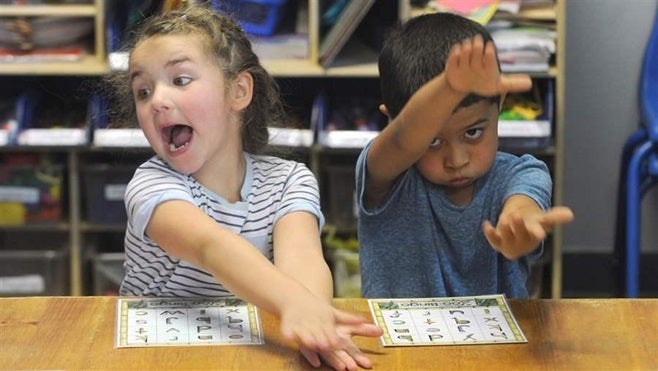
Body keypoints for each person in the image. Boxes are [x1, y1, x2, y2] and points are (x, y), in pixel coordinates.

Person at [113, 6, 382, 370]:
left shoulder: (289, 180)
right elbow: (211, 246)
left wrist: (314, 323)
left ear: (238, 91)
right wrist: (292, 302)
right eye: (143, 91)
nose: (157, 100)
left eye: (179, 80)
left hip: (247, 352)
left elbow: (303, 260)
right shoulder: (151, 185)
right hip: (154, 358)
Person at [356, 12, 574, 299]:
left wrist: (518, 227)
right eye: (433, 140)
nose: (457, 160)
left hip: (495, 344)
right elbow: (402, 138)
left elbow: (523, 205)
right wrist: (448, 89)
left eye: (473, 133)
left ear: (500, 104)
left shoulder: (521, 174)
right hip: (398, 343)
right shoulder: (389, 177)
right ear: (389, 120)